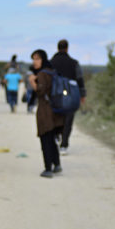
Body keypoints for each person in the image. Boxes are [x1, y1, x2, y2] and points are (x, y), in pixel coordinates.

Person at [30, 49, 65, 177]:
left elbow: (40, 91)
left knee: (45, 140)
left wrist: (32, 81)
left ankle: (48, 169)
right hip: (56, 112)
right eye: (33, 59)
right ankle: (57, 164)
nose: (34, 62)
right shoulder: (53, 72)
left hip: (46, 112)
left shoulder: (42, 75)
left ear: (43, 59)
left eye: (37, 59)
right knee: (52, 139)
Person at [50, 39, 86, 155]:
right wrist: (82, 95)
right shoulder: (74, 63)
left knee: (55, 116)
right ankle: (64, 144)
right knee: (68, 120)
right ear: (67, 48)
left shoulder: (51, 63)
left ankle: (56, 136)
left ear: (57, 48)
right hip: (70, 95)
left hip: (55, 95)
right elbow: (80, 79)